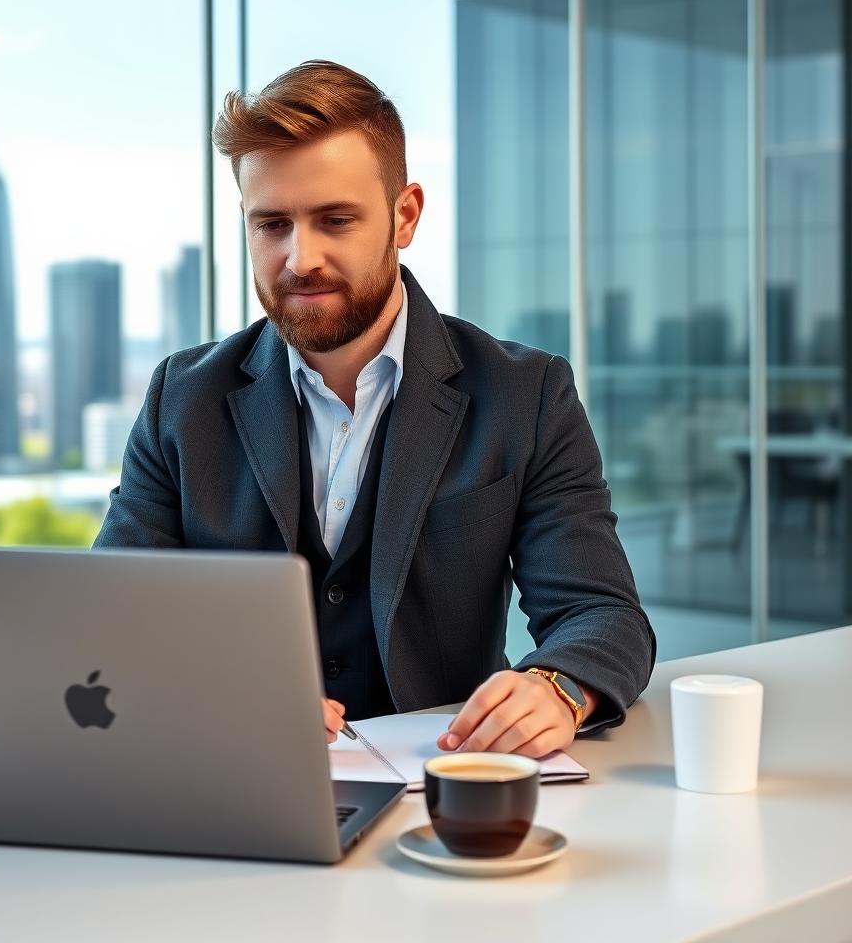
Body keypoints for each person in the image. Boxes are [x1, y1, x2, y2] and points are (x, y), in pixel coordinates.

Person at [93, 59, 656, 758]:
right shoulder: (182, 398)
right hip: (234, 774)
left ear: (406, 215)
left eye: (335, 220)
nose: (301, 259)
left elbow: (601, 615)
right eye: (272, 225)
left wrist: (558, 687)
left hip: (444, 788)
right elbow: (115, 618)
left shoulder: (526, 394)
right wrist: (216, 690)